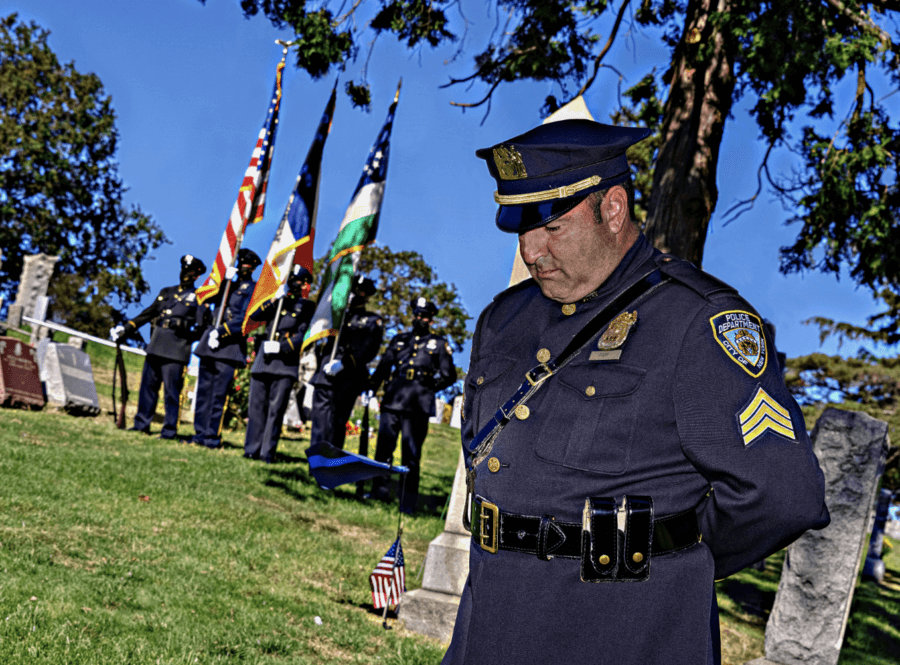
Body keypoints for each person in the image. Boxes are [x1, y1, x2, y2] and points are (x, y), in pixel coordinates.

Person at [442, 120, 830, 665]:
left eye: (552, 227)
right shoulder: (505, 319)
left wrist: (662, 555)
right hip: (488, 625)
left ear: (614, 208)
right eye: (519, 230)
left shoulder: (697, 320)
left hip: (623, 632)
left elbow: (784, 495)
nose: (531, 252)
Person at [368, 297, 456, 513]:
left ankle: (407, 501)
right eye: (416, 314)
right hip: (393, 399)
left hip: (418, 404)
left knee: (411, 454)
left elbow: (449, 375)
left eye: (424, 316)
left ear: (431, 319)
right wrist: (372, 387)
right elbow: (384, 367)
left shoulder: (438, 344)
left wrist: (429, 387)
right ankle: (379, 492)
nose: (420, 319)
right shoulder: (399, 340)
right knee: (383, 449)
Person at [111, 254, 207, 439]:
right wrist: (125, 330)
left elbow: (202, 328)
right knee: (147, 388)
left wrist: (185, 332)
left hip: (176, 350)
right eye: (184, 270)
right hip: (156, 345)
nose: (185, 274)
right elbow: (147, 314)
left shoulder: (198, 298)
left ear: (196, 276)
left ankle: (169, 430)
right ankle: (141, 424)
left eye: (190, 272)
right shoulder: (167, 292)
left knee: (171, 392)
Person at [243, 264, 315, 463]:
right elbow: (255, 315)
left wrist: (282, 347)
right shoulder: (277, 301)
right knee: (256, 407)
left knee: (275, 410)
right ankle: (251, 448)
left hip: (284, 363)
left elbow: (304, 335)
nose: (293, 282)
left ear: (303, 284)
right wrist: (274, 298)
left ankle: (267, 452)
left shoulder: (307, 306)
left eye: (297, 279)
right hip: (263, 360)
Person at [191, 248, 261, 448]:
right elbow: (205, 298)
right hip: (210, 344)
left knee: (218, 395)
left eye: (248, 265)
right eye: (242, 263)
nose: (244, 267)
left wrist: (221, 332)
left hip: (229, 345)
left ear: (253, 267)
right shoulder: (228, 284)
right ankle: (199, 433)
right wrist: (221, 283)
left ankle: (212, 436)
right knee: (204, 391)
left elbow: (245, 318)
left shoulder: (253, 289)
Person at [308, 276, 383, 450]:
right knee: (319, 421)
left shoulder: (372, 321)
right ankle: (316, 460)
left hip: (348, 376)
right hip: (325, 373)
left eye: (357, 292)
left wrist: (344, 363)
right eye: (350, 291)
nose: (352, 295)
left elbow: (368, 350)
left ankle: (330, 460)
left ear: (365, 296)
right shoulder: (334, 316)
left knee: (337, 422)